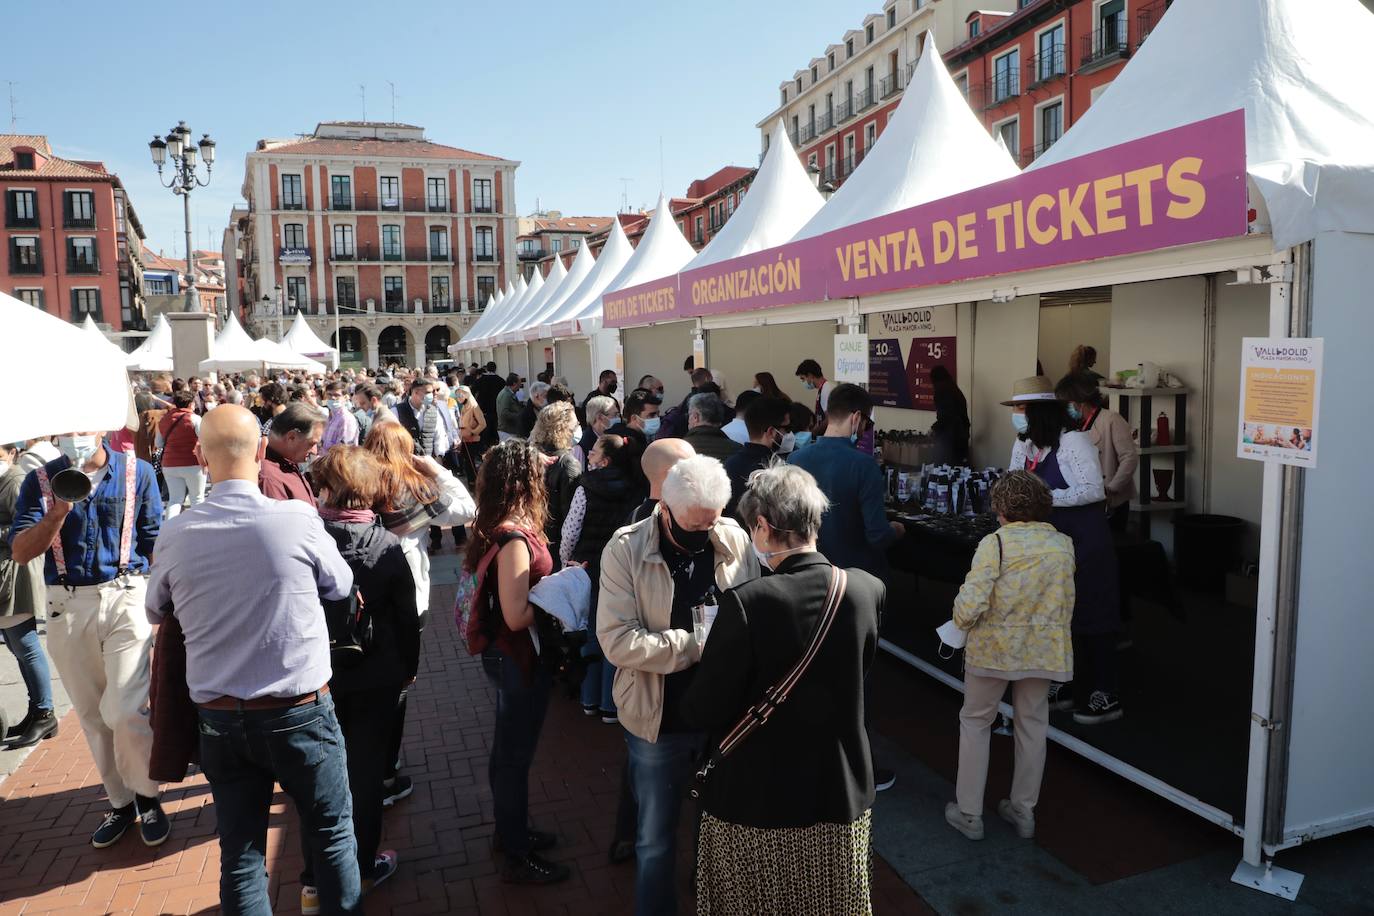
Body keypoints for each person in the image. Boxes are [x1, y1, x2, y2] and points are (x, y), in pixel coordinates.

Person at [145, 405, 362, 912]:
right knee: (330, 834)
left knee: (241, 852)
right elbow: (342, 585)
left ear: (200, 458)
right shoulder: (297, 519)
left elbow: (156, 608)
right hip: (300, 710)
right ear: (263, 450)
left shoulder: (177, 533)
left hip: (221, 717)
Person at [684, 464, 883, 914]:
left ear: (762, 526)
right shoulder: (867, 590)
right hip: (839, 789)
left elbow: (705, 707)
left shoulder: (749, 602)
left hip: (757, 795)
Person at [597, 455, 759, 916]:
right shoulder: (625, 549)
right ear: (663, 508)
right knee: (655, 839)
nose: (700, 536)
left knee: (718, 830)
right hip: (657, 719)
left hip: (722, 717)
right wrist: (696, 645)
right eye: (690, 527)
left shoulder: (731, 537)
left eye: (709, 525)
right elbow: (617, 641)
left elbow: (751, 615)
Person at [10, 430, 168, 848]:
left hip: (126, 593)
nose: (75, 437)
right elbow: (22, 552)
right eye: (67, 430)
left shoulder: (139, 472)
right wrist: (56, 514)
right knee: (92, 713)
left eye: (83, 428)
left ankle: (147, 796)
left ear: (100, 428)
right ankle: (120, 802)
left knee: (126, 709)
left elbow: (154, 540)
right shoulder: (39, 481)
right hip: (67, 603)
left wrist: (173, 601)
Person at [300, 446, 423, 905]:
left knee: (316, 777)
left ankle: (313, 879)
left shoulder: (308, 538)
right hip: (376, 677)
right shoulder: (387, 547)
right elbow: (407, 620)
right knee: (366, 775)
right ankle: (362, 866)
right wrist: (408, 671)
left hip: (318, 676)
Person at [942, 471, 1075, 843]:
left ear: (1000, 507)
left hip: (993, 650)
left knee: (976, 721)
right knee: (1033, 725)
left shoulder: (994, 544)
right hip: (1043, 649)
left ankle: (969, 812)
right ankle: (1023, 809)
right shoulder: (1062, 544)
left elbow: (971, 605)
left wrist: (958, 620)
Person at [464, 441, 571, 885]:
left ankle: (512, 830)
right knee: (513, 756)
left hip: (513, 654)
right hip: (516, 654)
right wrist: (562, 600)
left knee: (510, 752)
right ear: (523, 481)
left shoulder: (501, 526)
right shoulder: (513, 538)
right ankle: (515, 849)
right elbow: (515, 614)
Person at [366, 421, 475, 802]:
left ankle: (370, 761)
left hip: (355, 598)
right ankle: (383, 771)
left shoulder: (351, 483)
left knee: (364, 684)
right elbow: (466, 509)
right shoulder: (413, 486)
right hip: (406, 596)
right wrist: (438, 469)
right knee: (397, 684)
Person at [1005, 376, 1122, 725]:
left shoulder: (1074, 442)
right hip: (1048, 542)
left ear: (1040, 412)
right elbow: (1014, 479)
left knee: (1092, 612)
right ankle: (1064, 682)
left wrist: (1042, 498)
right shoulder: (1025, 444)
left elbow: (1093, 490)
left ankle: (1105, 691)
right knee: (1056, 613)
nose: (1016, 415)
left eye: (1021, 409)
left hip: (1084, 540)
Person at [560, 434, 645, 722]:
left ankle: (589, 699)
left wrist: (565, 561)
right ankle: (611, 706)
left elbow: (571, 531)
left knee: (589, 631)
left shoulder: (586, 486)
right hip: (620, 568)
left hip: (586, 565)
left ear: (605, 459)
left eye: (594, 451)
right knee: (615, 634)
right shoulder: (636, 487)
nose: (590, 455)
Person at [788, 384, 902, 580]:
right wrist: (897, 530)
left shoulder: (794, 459)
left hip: (808, 572)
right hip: (857, 577)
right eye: (867, 424)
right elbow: (878, 535)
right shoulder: (864, 466)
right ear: (856, 417)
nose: (865, 430)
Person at [0, 442, 57, 748]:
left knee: (25, 644)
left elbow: (23, 530)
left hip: (15, 574)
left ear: (9, 451)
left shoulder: (14, 479)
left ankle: (45, 712)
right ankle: (37, 710)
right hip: (8, 573)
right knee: (17, 645)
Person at [1055, 372, 1138, 531]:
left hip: (1113, 500)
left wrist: (1112, 488)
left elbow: (1129, 458)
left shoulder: (1111, 419)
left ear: (1080, 402)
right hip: (1086, 499)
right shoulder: (1073, 423)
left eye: (1066, 403)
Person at [723, 396, 790, 521]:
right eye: (785, 429)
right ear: (771, 431)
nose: (788, 434)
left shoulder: (729, 465)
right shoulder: (779, 468)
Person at [531, 401, 583, 562]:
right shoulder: (568, 464)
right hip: (554, 544)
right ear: (563, 429)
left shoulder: (532, 454)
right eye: (575, 425)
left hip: (534, 537)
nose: (578, 428)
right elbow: (571, 517)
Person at [259, 403, 325, 505]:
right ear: (291, 437)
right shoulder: (270, 478)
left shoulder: (288, 462)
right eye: (311, 444)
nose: (314, 451)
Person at [156, 390, 205, 518]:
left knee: (175, 500)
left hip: (169, 464)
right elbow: (204, 440)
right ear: (190, 404)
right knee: (197, 499)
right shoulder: (195, 419)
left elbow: (159, 443)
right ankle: (198, 529)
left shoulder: (164, 420)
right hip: (193, 463)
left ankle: (169, 529)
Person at [396, 379, 457, 465]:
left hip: (428, 463)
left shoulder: (433, 411)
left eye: (434, 391)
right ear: (416, 392)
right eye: (428, 392)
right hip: (406, 464)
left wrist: (438, 458)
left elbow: (439, 437)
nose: (433, 394)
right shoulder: (397, 411)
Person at [929, 365, 971, 466]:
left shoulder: (941, 390)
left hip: (949, 439)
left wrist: (933, 428)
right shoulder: (954, 389)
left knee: (944, 470)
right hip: (961, 437)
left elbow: (946, 416)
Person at [684, 393, 741, 462]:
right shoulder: (738, 450)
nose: (688, 419)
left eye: (689, 414)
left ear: (696, 417)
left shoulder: (679, 449)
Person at [579, 395, 621, 468]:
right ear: (600, 417)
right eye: (615, 415)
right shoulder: (582, 448)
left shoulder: (616, 437)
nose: (618, 418)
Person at [473, 362, 509, 447]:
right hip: (496, 409)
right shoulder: (500, 380)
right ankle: (496, 445)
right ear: (495, 369)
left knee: (485, 429)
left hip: (483, 409)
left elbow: (473, 391)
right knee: (495, 429)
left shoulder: (480, 380)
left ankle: (484, 447)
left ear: (487, 369)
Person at [321, 381, 361, 451]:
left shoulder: (347, 419)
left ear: (345, 397)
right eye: (329, 394)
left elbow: (346, 448)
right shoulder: (329, 416)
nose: (332, 398)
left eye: (337, 395)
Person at [794, 358, 833, 426]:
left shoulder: (827, 389)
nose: (803, 382)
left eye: (803, 379)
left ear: (810, 375)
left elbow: (829, 419)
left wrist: (814, 432)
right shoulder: (822, 389)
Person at [496, 374, 525, 441]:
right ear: (514, 384)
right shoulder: (506, 395)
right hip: (507, 431)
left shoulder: (509, 394)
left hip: (509, 430)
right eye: (519, 384)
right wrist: (519, 415)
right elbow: (504, 413)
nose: (520, 386)